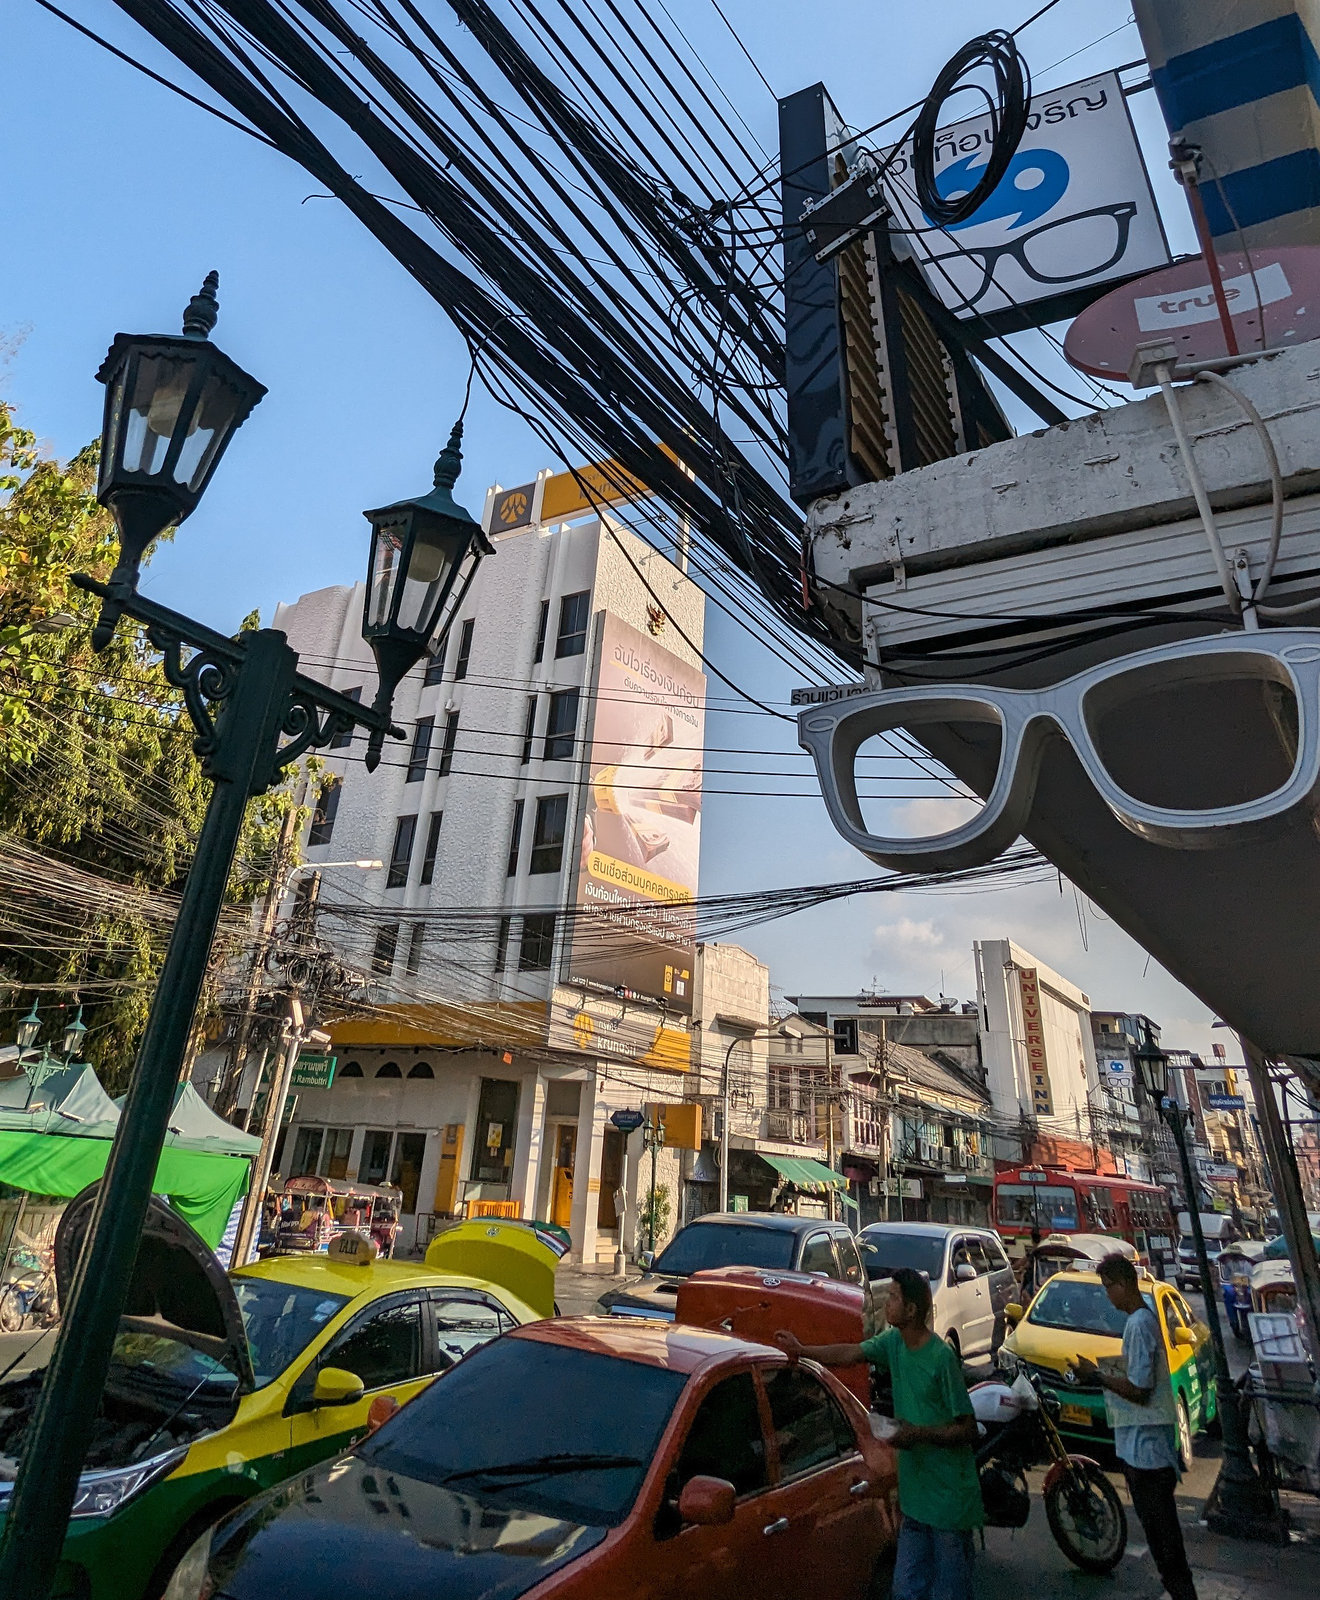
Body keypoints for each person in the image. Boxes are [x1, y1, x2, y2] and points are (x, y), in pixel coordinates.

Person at [776, 1266, 981, 1600]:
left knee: (949, 1592)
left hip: (948, 1501)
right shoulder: (893, 1343)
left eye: (895, 1297)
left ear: (911, 1310)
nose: (887, 1302)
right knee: (904, 1591)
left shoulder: (941, 1358)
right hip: (915, 1497)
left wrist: (918, 1434)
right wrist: (804, 1351)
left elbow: (967, 1428)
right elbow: (851, 1353)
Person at [1074, 1253, 1197, 1600]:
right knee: (1163, 1544)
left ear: (1124, 1283)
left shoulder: (1140, 1324)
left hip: (1148, 1456)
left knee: (1166, 1544)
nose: (1107, 1295)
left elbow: (1140, 1389)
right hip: (1142, 1450)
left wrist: (1097, 1375)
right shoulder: (1139, 1322)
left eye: (1108, 1287)